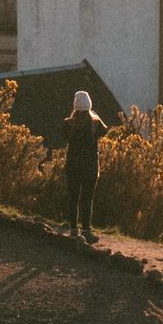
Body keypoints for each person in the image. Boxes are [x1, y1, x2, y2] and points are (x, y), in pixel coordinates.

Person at [63, 90, 109, 242]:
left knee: (73, 198)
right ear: (89, 106)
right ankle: (86, 230)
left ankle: (73, 229)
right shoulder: (95, 124)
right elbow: (106, 130)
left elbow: (61, 133)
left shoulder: (68, 123)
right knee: (87, 199)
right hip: (90, 166)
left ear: (75, 106)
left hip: (73, 165)